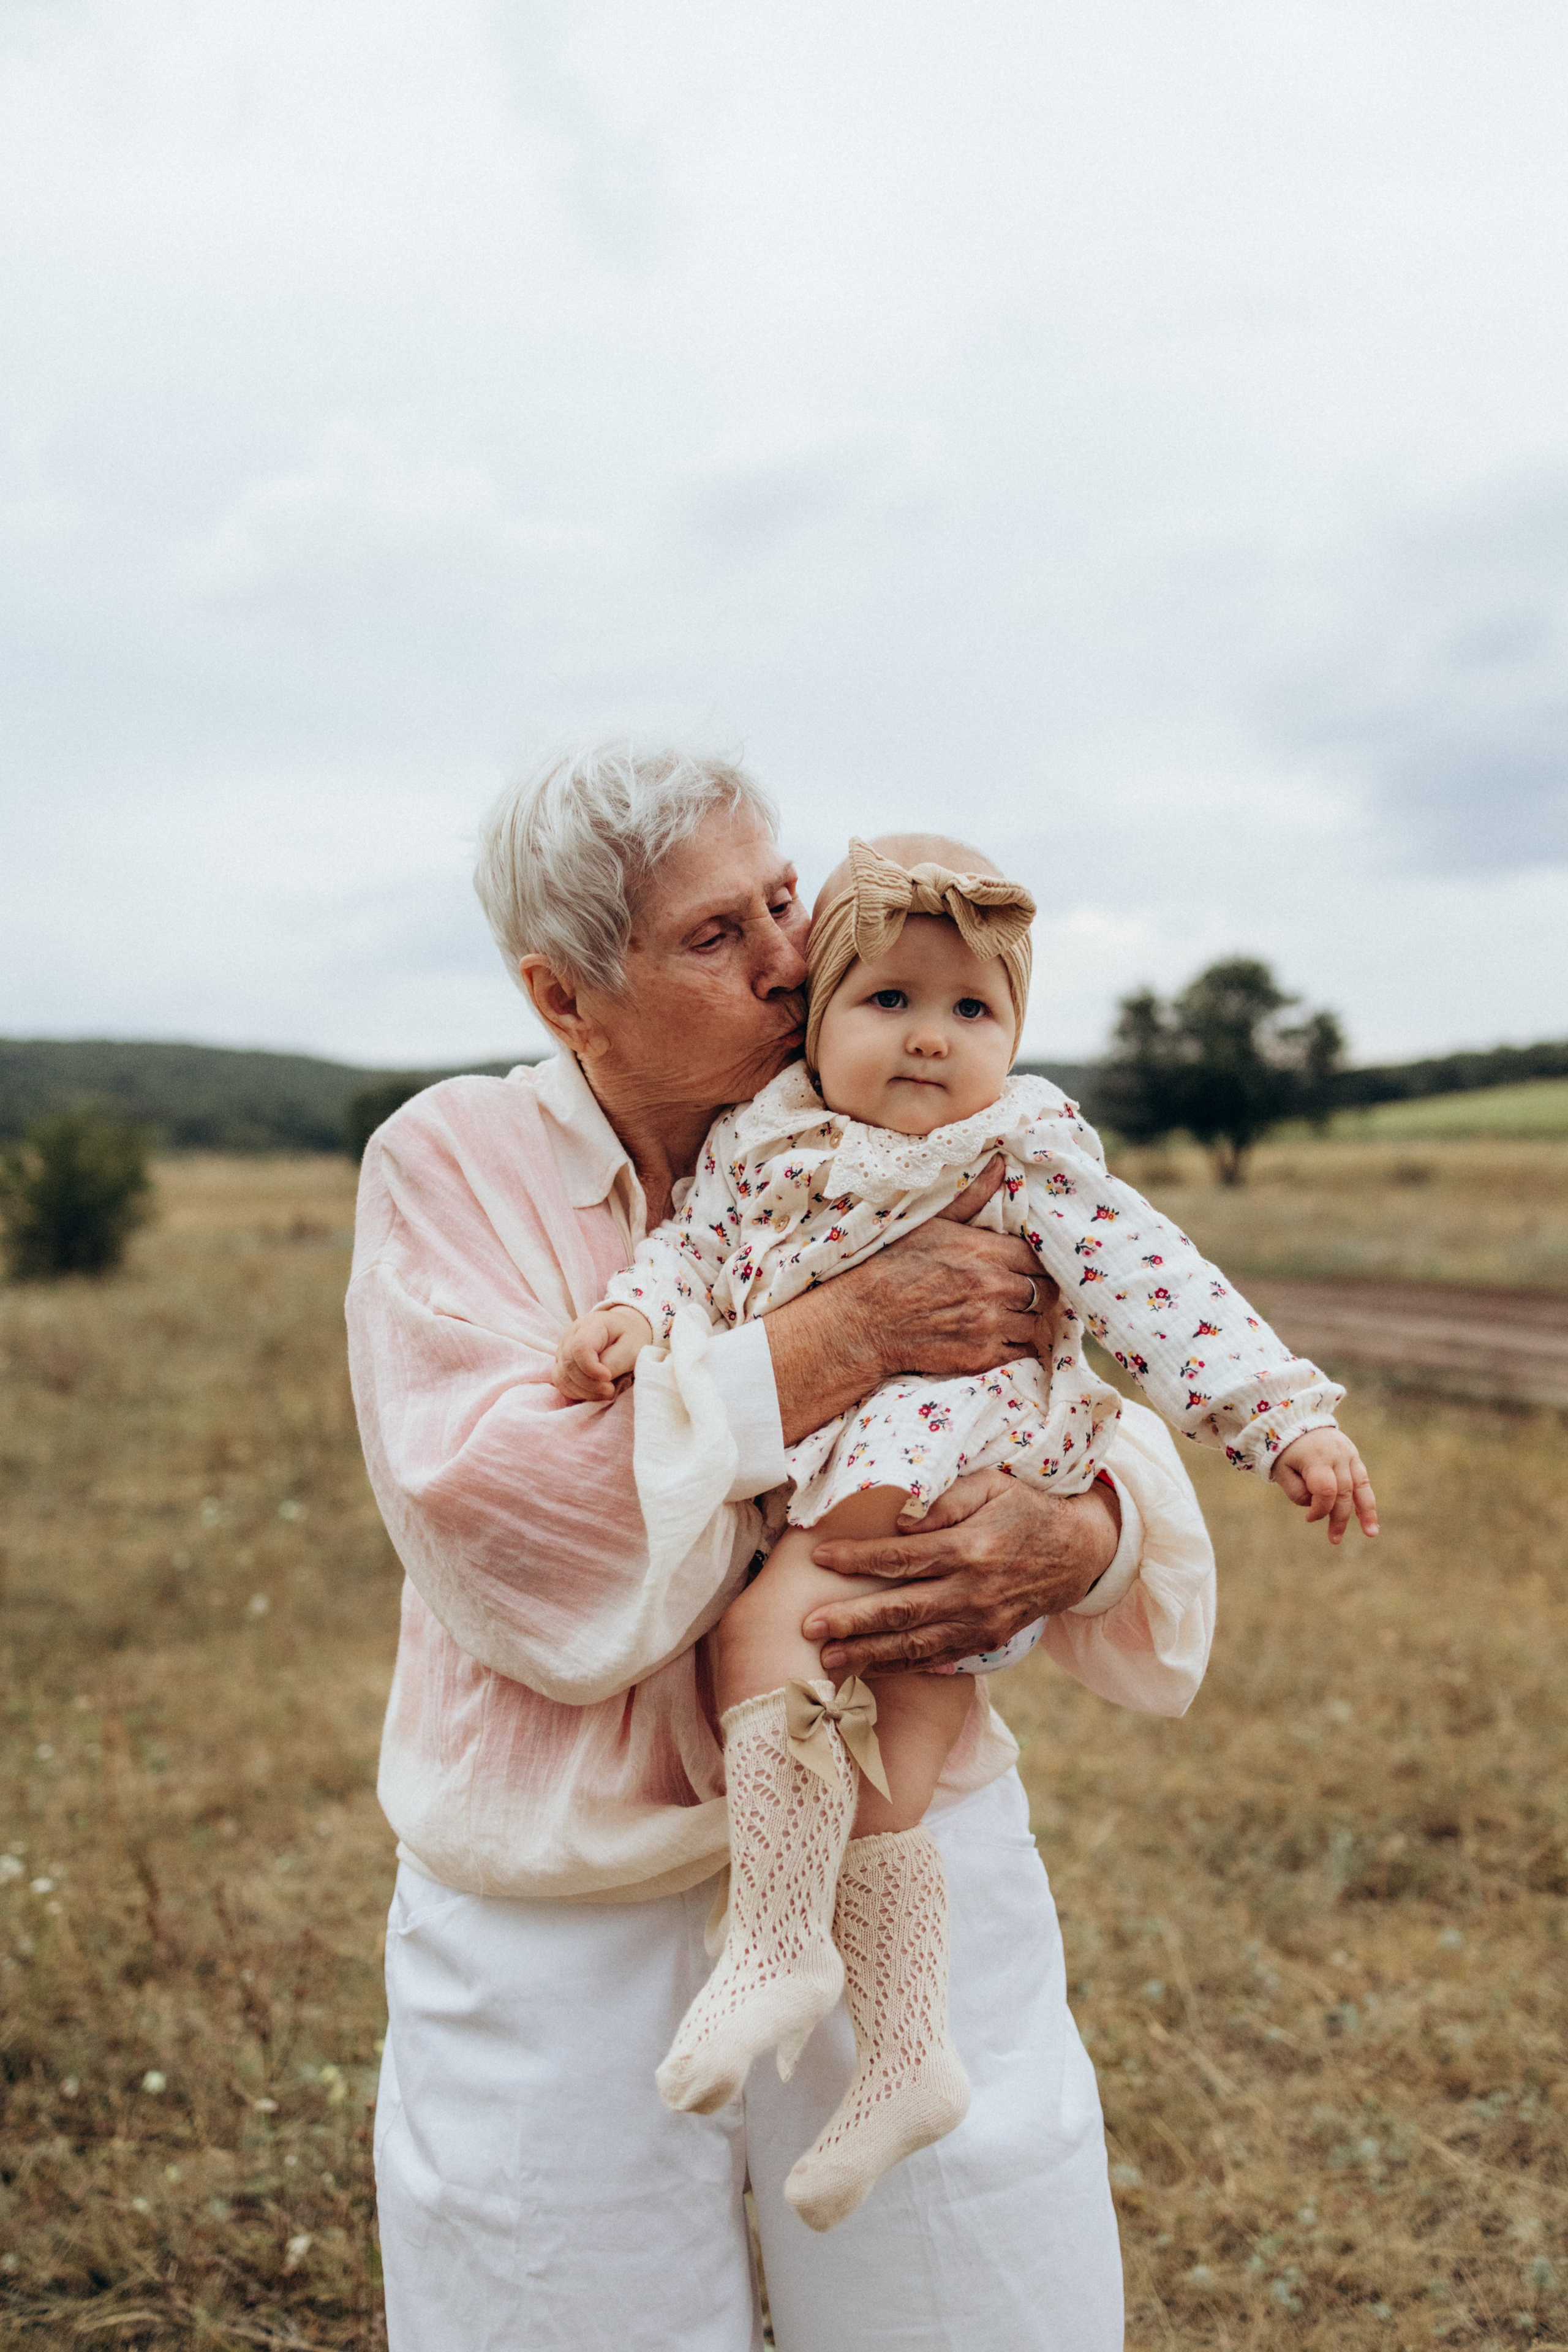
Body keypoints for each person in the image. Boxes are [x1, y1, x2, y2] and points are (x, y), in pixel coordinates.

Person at [349, 741, 1220, 2352]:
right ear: (563, 999)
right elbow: (499, 1502)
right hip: (565, 1916)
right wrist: (829, 1345)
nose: (785, 957)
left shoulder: (920, 1123)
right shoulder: (452, 1163)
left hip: (904, 1848)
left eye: (779, 896)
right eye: (711, 936)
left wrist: (1080, 1538)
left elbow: (1088, 1399)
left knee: (985, 2307)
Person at [554, 831, 1375, 2234]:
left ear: (1015, 1034)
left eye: (970, 1011)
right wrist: (639, 1315)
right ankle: (905, 2053)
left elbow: (1156, 1289)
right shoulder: (769, 1140)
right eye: (887, 1002)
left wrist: (1278, 1418)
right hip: (860, 1464)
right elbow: (691, 1249)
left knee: (772, 1632)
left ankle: (771, 1940)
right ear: (815, 1020)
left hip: (948, 1454)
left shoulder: (1021, 1155)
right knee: (898, 1773)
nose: (930, 1041)